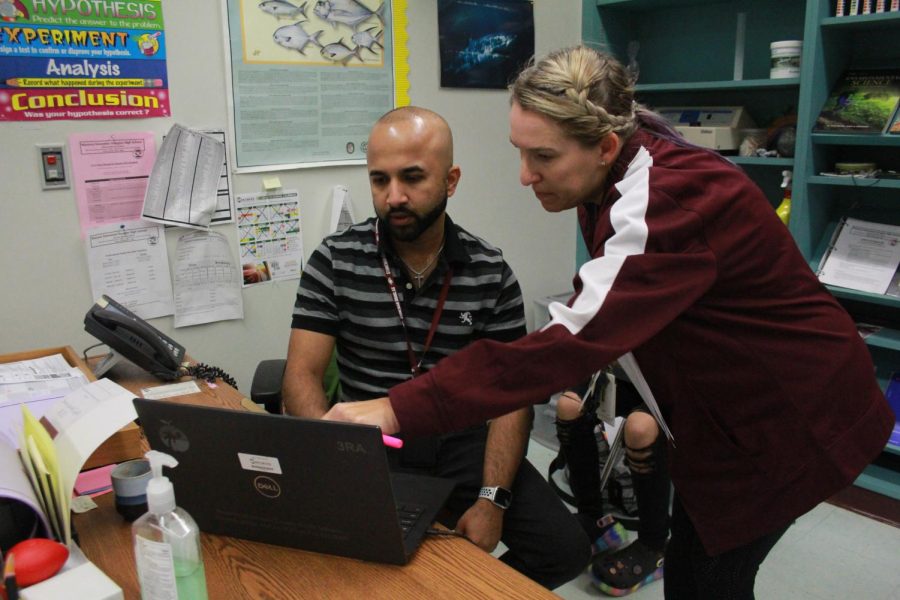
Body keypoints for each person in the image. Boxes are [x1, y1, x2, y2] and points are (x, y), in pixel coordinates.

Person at [322, 47, 895, 599]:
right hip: (727, 418)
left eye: (542, 157)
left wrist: (398, 407)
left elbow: (566, 342)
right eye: (520, 152)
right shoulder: (614, 181)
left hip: (797, 419)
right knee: (697, 577)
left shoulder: (669, 198)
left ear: (605, 145)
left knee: (708, 583)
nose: (525, 176)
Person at [283, 105, 590, 590]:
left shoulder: (490, 273)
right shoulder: (334, 261)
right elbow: (300, 376)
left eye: (412, 178)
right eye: (379, 180)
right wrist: (335, 461)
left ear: (451, 180)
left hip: (462, 444)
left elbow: (511, 399)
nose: (394, 197)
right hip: (369, 444)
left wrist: (492, 500)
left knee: (566, 551)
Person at [555, 373, 671, 596]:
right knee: (568, 406)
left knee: (639, 428)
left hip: (669, 382)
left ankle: (654, 544)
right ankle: (593, 519)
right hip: (624, 370)